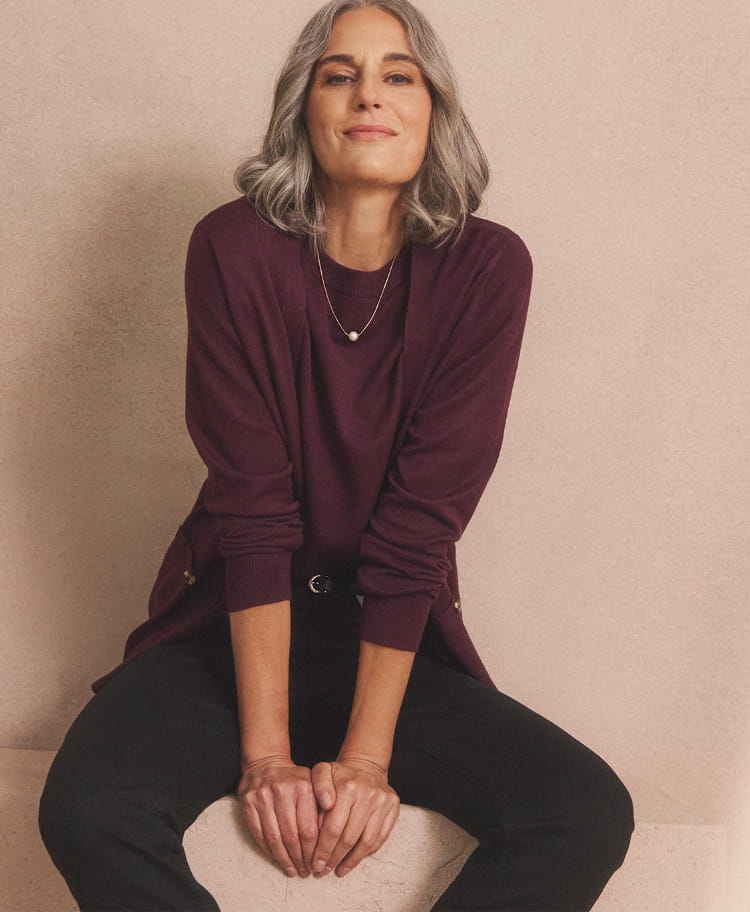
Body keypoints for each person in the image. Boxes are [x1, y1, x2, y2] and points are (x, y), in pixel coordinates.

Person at [38, 1, 634, 909]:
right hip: (227, 637)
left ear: (434, 110)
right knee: (88, 808)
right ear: (302, 108)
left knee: (583, 811)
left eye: (399, 75)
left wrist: (364, 758)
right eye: (338, 73)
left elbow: (423, 520)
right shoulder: (232, 248)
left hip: (393, 644)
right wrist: (266, 756)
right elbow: (253, 506)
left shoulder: (489, 269)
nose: (369, 95)